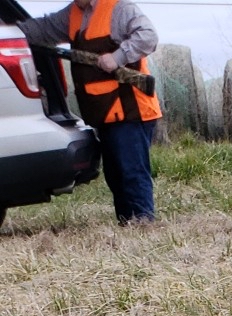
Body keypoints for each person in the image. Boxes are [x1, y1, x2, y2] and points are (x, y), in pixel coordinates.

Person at [25, 1, 161, 225]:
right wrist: (11, 29)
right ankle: (128, 223)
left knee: (131, 172)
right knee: (115, 175)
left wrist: (117, 57)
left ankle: (143, 223)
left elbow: (148, 36)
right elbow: (43, 29)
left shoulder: (120, 8)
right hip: (105, 113)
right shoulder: (73, 13)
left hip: (131, 111)